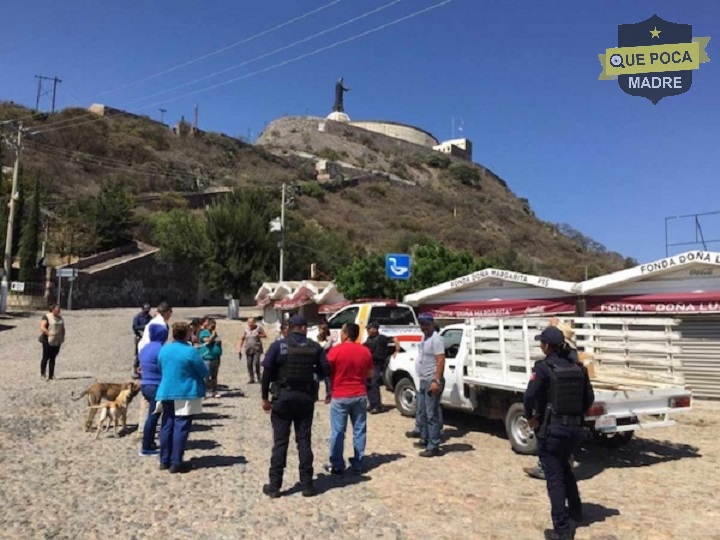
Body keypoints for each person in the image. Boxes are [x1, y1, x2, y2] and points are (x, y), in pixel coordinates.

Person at [524, 326, 595, 540]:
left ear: (546, 346)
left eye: (541, 343)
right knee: (564, 468)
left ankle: (562, 530)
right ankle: (576, 510)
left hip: (552, 430)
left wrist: (530, 418)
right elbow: (589, 399)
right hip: (574, 429)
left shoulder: (544, 368)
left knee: (554, 477)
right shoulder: (578, 367)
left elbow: (529, 396)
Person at [261, 314, 330, 498]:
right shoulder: (314, 347)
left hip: (283, 398)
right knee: (304, 441)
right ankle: (307, 485)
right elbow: (325, 371)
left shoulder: (278, 346)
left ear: (290, 327)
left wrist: (264, 398)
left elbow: (266, 374)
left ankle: (275, 486)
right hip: (305, 399)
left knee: (280, 442)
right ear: (304, 328)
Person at [524, 319, 581, 481]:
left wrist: (529, 416)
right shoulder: (572, 357)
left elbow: (530, 395)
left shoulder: (549, 364)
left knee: (548, 445)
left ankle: (547, 468)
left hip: (553, 411)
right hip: (571, 414)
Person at [156, 322, 209, 474]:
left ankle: (164, 459)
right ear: (187, 334)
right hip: (185, 391)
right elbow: (203, 371)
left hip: (166, 390)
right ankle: (176, 461)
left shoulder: (164, 350)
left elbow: (160, 367)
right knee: (181, 426)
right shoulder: (190, 351)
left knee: (167, 424)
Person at [325, 323, 373, 475]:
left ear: (345, 334)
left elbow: (326, 370)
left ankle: (337, 464)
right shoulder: (365, 351)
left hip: (340, 394)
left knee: (338, 431)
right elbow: (370, 374)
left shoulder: (335, 351)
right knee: (359, 429)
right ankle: (358, 462)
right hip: (359, 394)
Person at [409, 313, 445, 457]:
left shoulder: (436, 339)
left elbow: (441, 360)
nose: (423, 327)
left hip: (432, 381)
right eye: (422, 324)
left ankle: (434, 445)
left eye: (426, 324)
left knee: (432, 415)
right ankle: (425, 439)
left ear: (431, 323)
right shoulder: (425, 338)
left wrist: (437, 381)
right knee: (422, 412)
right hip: (423, 380)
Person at [138, 323, 168, 456]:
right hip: (156, 385)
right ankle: (146, 446)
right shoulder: (161, 349)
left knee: (152, 416)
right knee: (153, 417)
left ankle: (150, 442)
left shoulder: (145, 348)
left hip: (145, 384)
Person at [363, 321, 396, 414]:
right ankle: (372, 404)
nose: (368, 330)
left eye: (369, 328)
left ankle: (377, 406)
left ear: (375, 329)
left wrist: (396, 350)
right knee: (368, 383)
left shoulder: (381, 338)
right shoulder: (369, 339)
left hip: (378, 364)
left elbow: (395, 339)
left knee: (374, 383)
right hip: (370, 364)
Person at [39, 303, 66, 381]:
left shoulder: (60, 318)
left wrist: (62, 336)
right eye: (57, 309)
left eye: (59, 309)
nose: (59, 310)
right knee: (45, 357)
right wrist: (49, 334)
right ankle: (43, 374)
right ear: (53, 309)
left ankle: (51, 374)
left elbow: (63, 328)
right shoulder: (46, 317)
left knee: (53, 357)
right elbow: (42, 327)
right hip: (47, 339)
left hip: (57, 339)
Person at [199, 318, 223, 398]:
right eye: (211, 326)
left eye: (214, 326)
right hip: (207, 357)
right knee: (205, 376)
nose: (213, 327)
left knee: (214, 376)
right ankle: (203, 392)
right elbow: (207, 341)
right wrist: (213, 335)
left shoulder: (215, 333)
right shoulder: (203, 333)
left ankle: (214, 391)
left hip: (215, 357)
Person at [239, 317, 266, 384]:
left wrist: (259, 335)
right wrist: (239, 349)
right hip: (248, 349)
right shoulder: (246, 329)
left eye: (251, 322)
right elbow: (242, 339)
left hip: (257, 348)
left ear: (254, 322)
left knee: (257, 363)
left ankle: (259, 377)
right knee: (249, 364)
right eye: (249, 322)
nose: (250, 324)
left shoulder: (258, 328)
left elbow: (264, 335)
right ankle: (251, 378)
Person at [131, 303, 152, 378]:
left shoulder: (150, 318)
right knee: (138, 355)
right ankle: (135, 371)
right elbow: (134, 327)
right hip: (139, 338)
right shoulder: (137, 317)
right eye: (145, 310)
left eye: (148, 310)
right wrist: (144, 327)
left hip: (147, 339)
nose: (146, 312)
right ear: (142, 309)